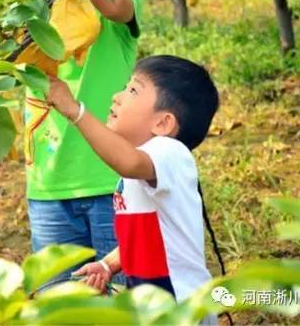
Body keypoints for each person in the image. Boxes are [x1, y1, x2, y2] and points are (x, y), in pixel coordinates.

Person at [25, 0, 143, 286]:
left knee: (126, 301)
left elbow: (114, 7)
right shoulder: (34, 5)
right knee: (58, 304)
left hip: (112, 182)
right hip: (49, 184)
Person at [46, 55, 219, 314]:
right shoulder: (144, 164)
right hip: (154, 304)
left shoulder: (170, 152)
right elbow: (145, 238)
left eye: (133, 90)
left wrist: (75, 110)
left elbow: (128, 162)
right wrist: (108, 265)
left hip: (184, 306)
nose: (118, 96)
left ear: (163, 123)